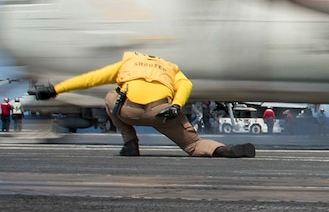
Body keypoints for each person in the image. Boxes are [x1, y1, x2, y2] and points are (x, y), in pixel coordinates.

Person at [32, 51, 255, 158]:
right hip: (162, 111)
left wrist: (55, 90)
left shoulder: (127, 63)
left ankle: (130, 144)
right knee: (195, 145)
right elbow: (186, 85)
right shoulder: (171, 68)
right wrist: (177, 105)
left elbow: (89, 78)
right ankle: (224, 150)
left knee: (110, 97)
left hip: (127, 109)